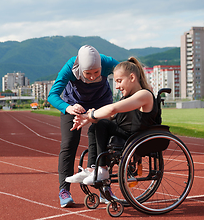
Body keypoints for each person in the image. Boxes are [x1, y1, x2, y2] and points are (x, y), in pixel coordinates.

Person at [48, 45, 119, 207]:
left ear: (102, 67)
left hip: (101, 103)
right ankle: (64, 190)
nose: (93, 77)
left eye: (97, 72)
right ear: (79, 68)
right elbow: (52, 95)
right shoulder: (69, 67)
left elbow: (129, 71)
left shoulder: (108, 62)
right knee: (69, 143)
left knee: (103, 140)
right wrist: (68, 108)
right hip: (73, 105)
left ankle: (103, 187)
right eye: (88, 74)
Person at [69, 57, 158, 185]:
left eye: (119, 81)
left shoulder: (144, 94)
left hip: (136, 137)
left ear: (132, 78)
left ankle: (103, 169)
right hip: (125, 133)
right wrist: (89, 118)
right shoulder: (127, 97)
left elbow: (112, 109)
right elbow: (112, 116)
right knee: (94, 127)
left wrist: (91, 116)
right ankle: (91, 168)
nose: (116, 87)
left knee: (102, 124)